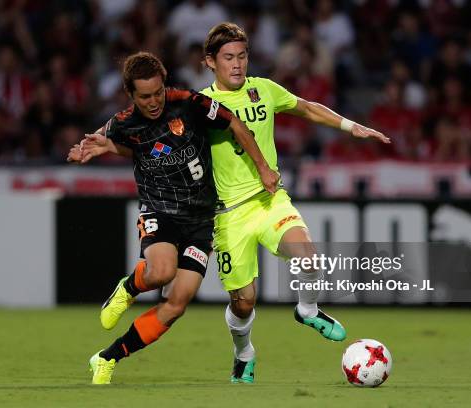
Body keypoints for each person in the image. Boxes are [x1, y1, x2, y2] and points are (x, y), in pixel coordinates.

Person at [67, 51, 279, 385]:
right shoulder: (124, 121)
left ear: (165, 85)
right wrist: (91, 147)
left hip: (201, 219)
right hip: (159, 208)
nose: (153, 102)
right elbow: (104, 136)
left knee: (177, 304)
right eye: (144, 96)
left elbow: (236, 124)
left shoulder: (190, 102)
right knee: (161, 273)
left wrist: (264, 167)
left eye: (157, 93)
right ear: (131, 95)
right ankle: (130, 286)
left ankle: (107, 358)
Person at [199, 22, 390, 383]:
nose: (237, 64)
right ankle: (244, 353)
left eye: (242, 56)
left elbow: (307, 108)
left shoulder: (264, 90)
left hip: (270, 200)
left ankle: (307, 309)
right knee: (243, 303)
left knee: (309, 257)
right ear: (210, 61)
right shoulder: (202, 106)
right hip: (228, 215)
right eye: (228, 58)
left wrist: (351, 127)